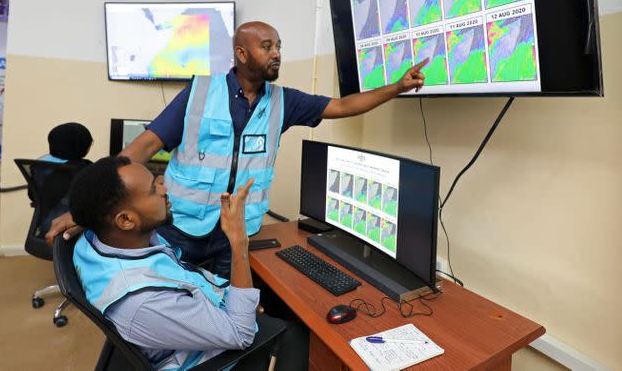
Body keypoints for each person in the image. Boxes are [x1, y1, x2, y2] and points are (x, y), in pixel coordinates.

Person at [48, 21, 427, 277]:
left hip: (237, 234)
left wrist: (396, 87)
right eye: (266, 47)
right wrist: (91, 209)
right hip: (181, 227)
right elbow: (141, 149)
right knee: (175, 309)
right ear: (242, 54)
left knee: (227, 313)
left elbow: (342, 106)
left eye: (278, 46)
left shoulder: (285, 101)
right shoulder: (198, 92)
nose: (276, 53)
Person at [69, 156, 307, 370]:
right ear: (125, 220)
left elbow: (184, 275)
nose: (164, 189)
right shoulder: (143, 301)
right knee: (309, 338)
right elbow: (240, 334)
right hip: (212, 359)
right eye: (153, 190)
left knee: (276, 300)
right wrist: (238, 242)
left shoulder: (94, 240)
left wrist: (230, 296)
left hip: (196, 319)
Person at [37, 122, 93, 233]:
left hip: (45, 225)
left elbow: (32, 195)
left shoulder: (39, 165)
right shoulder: (87, 169)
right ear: (81, 146)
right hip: (71, 229)